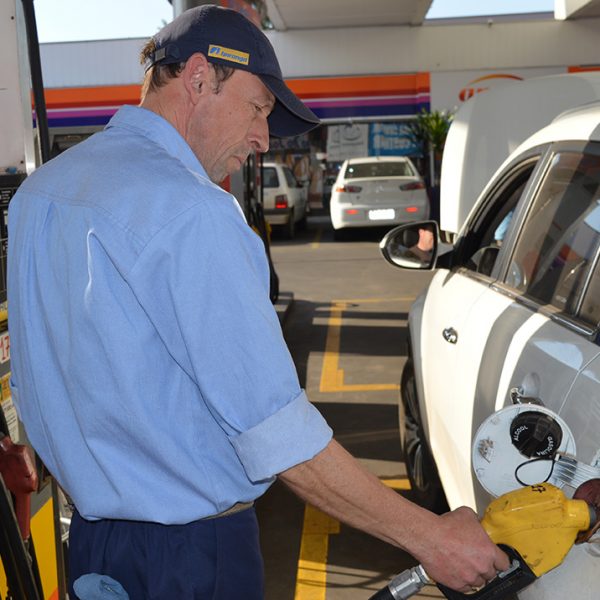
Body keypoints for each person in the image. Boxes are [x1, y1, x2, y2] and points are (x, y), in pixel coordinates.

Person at [7, 5, 508, 599]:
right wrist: (431, 537)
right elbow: (277, 434)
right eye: (258, 108)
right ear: (198, 78)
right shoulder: (191, 211)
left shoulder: (40, 196)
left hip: (92, 547)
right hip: (192, 560)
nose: (263, 138)